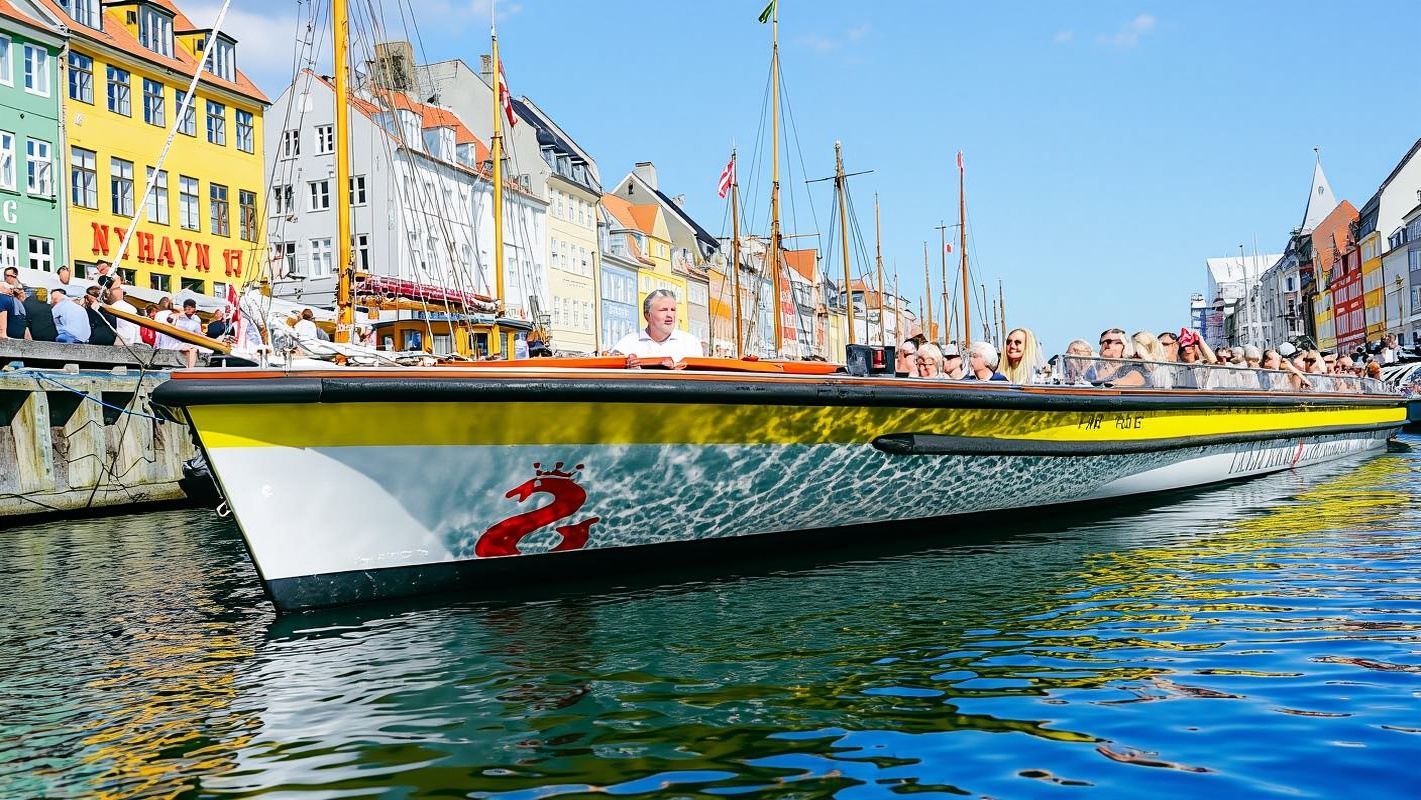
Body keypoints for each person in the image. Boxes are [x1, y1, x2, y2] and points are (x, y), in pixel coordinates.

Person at [610, 289, 703, 364]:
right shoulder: (627, 343)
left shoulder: (690, 343)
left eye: (673, 310)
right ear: (647, 315)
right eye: (663, 310)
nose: (670, 315)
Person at [172, 299, 203, 368]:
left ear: (194, 308)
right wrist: (177, 316)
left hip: (191, 343)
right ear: (184, 308)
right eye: (187, 306)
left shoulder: (197, 319)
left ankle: (190, 370)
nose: (189, 308)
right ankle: (189, 370)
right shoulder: (178, 317)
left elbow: (198, 334)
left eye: (191, 307)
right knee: (191, 349)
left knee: (193, 349)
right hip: (177, 342)